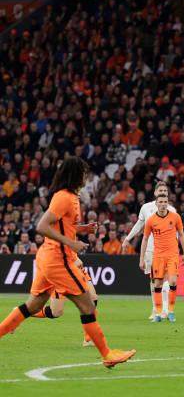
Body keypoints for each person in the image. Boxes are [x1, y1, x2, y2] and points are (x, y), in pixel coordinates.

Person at [0, 157, 135, 367]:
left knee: (33, 305)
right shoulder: (64, 197)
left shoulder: (69, 196)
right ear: (75, 175)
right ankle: (107, 355)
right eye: (84, 173)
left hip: (48, 257)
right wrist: (71, 243)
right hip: (58, 259)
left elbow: (62, 225)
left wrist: (82, 229)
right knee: (88, 306)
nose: (86, 177)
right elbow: (42, 226)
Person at [122, 181, 177, 320]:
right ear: (155, 192)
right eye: (160, 191)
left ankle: (165, 309)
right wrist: (128, 238)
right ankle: (156, 309)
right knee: (154, 280)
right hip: (150, 249)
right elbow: (139, 225)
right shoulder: (146, 208)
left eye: (165, 191)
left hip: (167, 250)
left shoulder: (172, 210)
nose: (162, 192)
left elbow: (176, 232)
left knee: (166, 279)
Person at [31, 258, 100, 347]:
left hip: (77, 270)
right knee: (56, 312)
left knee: (92, 298)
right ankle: (26, 312)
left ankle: (88, 339)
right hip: (61, 274)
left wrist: (75, 258)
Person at [141, 195, 184, 323]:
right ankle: (158, 313)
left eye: (165, 202)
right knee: (157, 284)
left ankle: (171, 311)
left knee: (173, 281)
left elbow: (182, 235)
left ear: (168, 203)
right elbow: (145, 239)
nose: (163, 204)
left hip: (173, 255)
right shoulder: (151, 220)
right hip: (158, 256)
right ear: (156, 204)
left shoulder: (175, 217)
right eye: (160, 202)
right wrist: (141, 258)